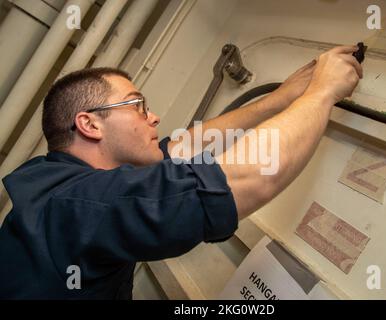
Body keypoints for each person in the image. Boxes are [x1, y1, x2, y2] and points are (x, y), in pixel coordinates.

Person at [0, 45, 362, 299]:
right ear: (90, 124)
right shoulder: (81, 204)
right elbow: (248, 177)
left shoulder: (58, 181)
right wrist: (322, 94)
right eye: (138, 105)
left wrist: (280, 99)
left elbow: (180, 147)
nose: (153, 116)